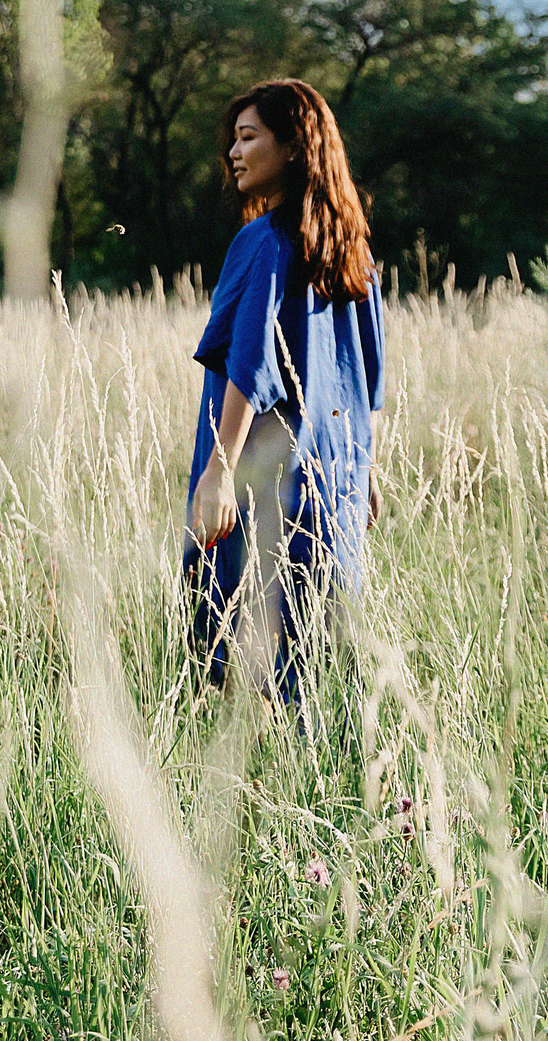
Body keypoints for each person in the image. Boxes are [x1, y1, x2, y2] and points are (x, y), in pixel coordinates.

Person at [183, 78, 386, 702]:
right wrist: (367, 476)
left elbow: (247, 365)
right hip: (334, 485)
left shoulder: (262, 241)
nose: (233, 155)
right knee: (315, 661)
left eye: (248, 138)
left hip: (264, 480)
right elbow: (365, 384)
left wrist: (217, 474)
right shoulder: (353, 255)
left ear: (293, 146)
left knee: (236, 659)